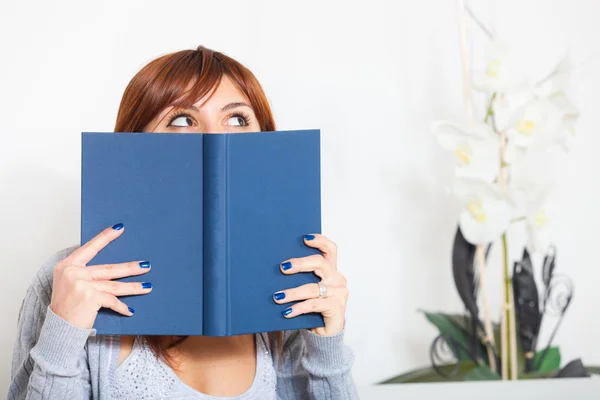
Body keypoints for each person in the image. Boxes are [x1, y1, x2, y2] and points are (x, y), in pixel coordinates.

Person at [8, 45, 357, 400]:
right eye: (181, 119)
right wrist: (63, 332)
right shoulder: (71, 279)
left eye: (237, 118)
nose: (214, 136)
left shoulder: (292, 279)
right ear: (135, 140)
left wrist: (327, 345)